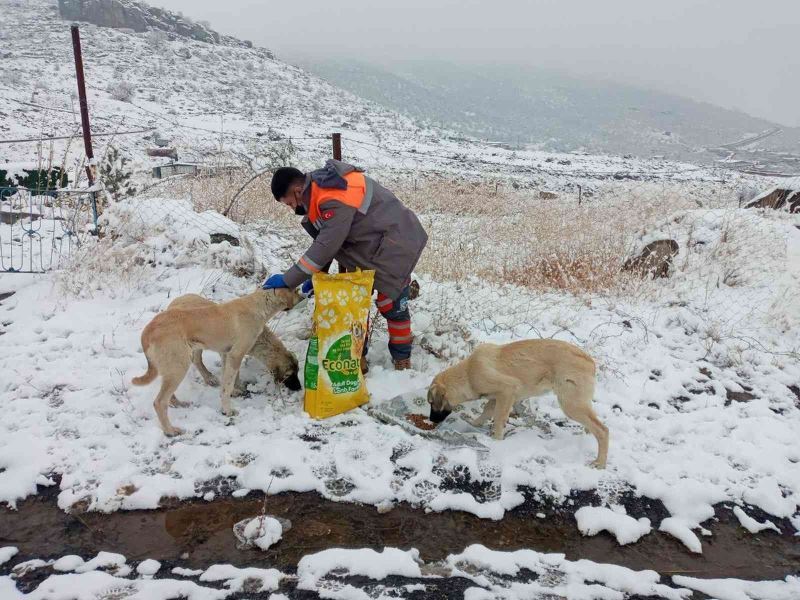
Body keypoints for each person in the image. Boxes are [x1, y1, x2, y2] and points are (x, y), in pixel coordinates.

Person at [263, 160, 428, 371]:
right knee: (356, 303)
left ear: (297, 191)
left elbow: (327, 245)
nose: (292, 208)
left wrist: (288, 280)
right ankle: (359, 357)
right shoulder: (320, 189)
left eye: (289, 203)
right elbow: (327, 237)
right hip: (369, 245)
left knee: (393, 305)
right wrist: (317, 275)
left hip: (396, 244)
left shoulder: (332, 196)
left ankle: (402, 359)